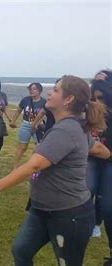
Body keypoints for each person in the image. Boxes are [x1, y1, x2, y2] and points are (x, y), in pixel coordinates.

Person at [0, 75, 111, 265]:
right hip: (42, 210)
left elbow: (34, 165)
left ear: (68, 99)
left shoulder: (66, 130)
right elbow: (96, 148)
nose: (49, 92)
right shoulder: (71, 126)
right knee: (21, 251)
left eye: (55, 90)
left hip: (69, 214)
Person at [88, 78, 112, 265]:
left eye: (102, 98)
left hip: (110, 163)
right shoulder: (89, 110)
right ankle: (83, 229)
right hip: (92, 160)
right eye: (95, 98)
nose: (98, 103)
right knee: (85, 191)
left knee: (108, 207)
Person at [10, 83, 46, 169]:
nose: (31, 90)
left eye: (34, 89)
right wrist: (13, 121)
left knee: (39, 147)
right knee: (23, 147)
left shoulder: (44, 102)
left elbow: (45, 114)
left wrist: (38, 123)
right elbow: (18, 111)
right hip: (26, 124)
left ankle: (35, 165)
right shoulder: (25, 100)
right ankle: (15, 166)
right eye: (30, 89)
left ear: (40, 91)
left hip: (38, 126)